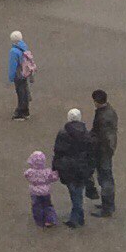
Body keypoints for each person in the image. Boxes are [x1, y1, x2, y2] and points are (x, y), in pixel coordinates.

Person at [52, 108, 95, 229]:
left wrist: (55, 167)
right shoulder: (86, 134)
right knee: (79, 191)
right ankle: (78, 216)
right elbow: (91, 153)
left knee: (73, 192)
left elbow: (58, 152)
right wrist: (91, 168)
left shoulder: (63, 134)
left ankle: (76, 217)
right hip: (82, 168)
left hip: (68, 168)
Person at [88, 89, 119, 218]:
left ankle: (107, 207)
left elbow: (101, 136)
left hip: (102, 152)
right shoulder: (109, 111)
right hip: (107, 149)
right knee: (106, 176)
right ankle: (108, 203)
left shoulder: (102, 116)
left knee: (105, 178)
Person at [24, 150, 59, 228]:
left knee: (36, 206)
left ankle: (39, 220)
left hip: (34, 192)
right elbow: (54, 178)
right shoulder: (47, 172)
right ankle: (50, 220)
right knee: (48, 205)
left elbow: (26, 175)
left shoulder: (30, 172)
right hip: (45, 191)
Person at [8, 30, 33, 120]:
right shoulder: (24, 47)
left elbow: (13, 65)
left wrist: (11, 77)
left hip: (18, 74)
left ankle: (21, 111)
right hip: (25, 72)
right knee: (25, 91)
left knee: (20, 92)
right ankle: (25, 109)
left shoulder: (13, 51)